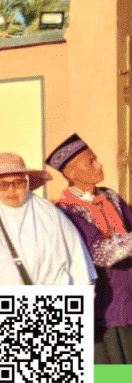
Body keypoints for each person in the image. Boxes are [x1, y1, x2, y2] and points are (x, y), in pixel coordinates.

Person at [0, 152, 96, 364]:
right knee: (6, 374)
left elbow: (79, 265)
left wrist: (80, 309)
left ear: (27, 183)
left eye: (18, 183)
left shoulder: (51, 217)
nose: (11, 190)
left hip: (50, 310)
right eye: (3, 185)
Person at [47, 134, 132, 364]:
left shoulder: (110, 196)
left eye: (96, 159)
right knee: (112, 375)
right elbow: (101, 253)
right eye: (90, 161)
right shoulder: (66, 212)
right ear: (71, 173)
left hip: (128, 297)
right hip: (104, 307)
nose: (99, 164)